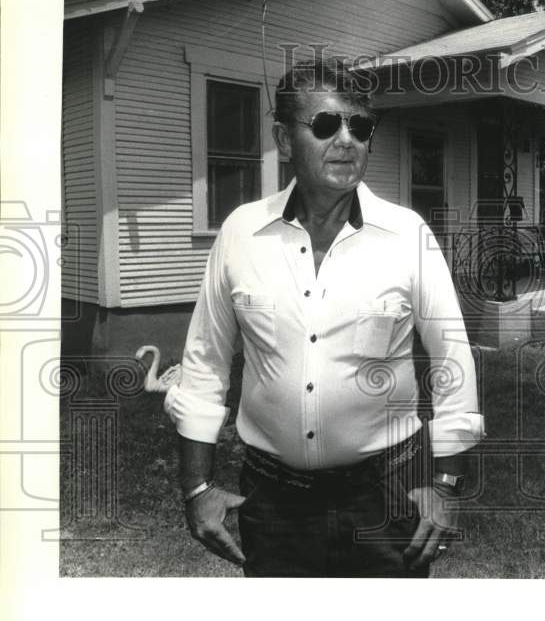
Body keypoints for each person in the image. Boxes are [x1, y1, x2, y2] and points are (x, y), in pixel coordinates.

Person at [165, 57, 483, 577]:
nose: (347, 140)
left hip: (387, 497)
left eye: (360, 127)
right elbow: (203, 366)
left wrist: (446, 486)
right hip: (271, 506)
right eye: (325, 124)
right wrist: (196, 487)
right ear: (284, 140)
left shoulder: (408, 236)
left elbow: (453, 360)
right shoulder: (241, 234)